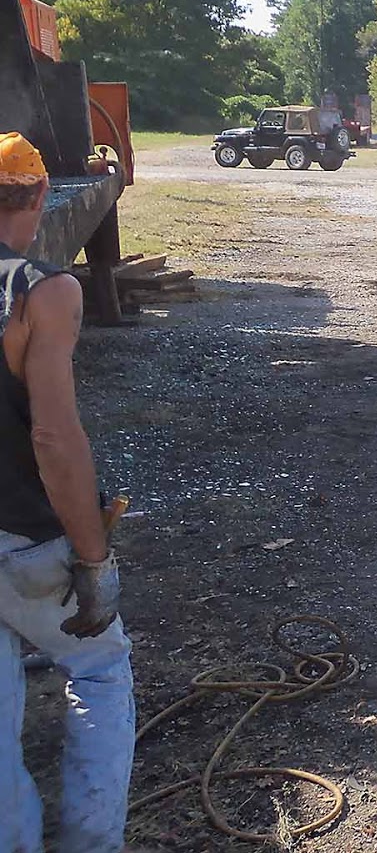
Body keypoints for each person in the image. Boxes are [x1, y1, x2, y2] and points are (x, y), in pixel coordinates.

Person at [0, 131, 134, 853]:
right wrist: (94, 560)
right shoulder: (44, 292)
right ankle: (91, 841)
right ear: (41, 195)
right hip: (26, 537)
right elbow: (54, 441)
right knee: (98, 666)